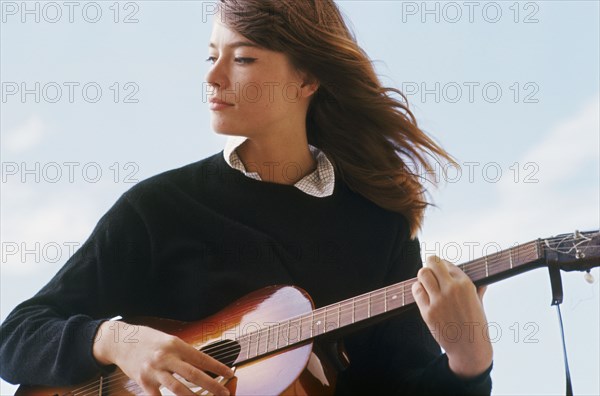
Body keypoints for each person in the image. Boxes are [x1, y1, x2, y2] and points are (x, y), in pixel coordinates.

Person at [0, 1, 493, 395]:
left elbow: (399, 385)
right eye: (211, 55)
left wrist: (469, 363)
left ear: (307, 78)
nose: (213, 77)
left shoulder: (379, 228)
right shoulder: (158, 208)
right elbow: (16, 337)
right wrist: (118, 340)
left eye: (242, 58)